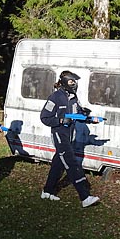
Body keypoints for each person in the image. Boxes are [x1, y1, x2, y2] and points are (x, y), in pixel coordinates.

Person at [39, 70, 100, 207]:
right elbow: (44, 117)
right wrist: (60, 120)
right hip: (59, 135)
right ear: (65, 82)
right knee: (72, 163)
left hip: (69, 135)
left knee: (58, 164)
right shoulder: (55, 97)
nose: (74, 84)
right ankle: (85, 197)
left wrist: (89, 118)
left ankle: (47, 191)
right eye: (71, 81)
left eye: (75, 82)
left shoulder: (73, 97)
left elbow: (77, 115)